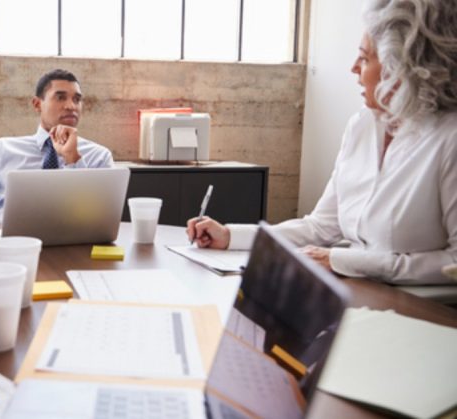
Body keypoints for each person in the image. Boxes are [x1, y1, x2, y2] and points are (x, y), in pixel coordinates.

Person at [187, 0, 457, 285]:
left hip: (419, 308)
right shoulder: (362, 125)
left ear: (401, 68)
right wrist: (230, 236)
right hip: (353, 291)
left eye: (365, 59)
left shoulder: (449, 139)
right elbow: (320, 227)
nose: (354, 68)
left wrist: (343, 261)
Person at [0, 69, 114, 227]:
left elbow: (99, 221)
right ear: (37, 104)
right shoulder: (2, 149)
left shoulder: (99, 157)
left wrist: (72, 159)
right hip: (0, 246)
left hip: (71, 250)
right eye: (60, 97)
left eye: (77, 99)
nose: (71, 106)